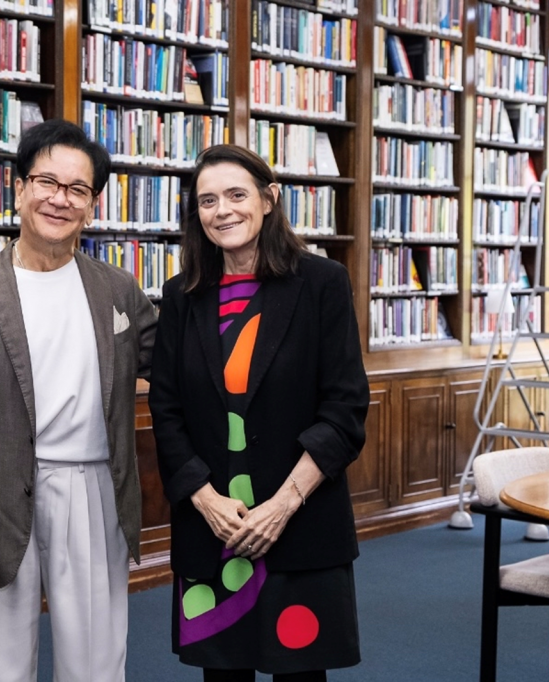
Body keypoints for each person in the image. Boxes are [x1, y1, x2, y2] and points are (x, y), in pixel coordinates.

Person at [0, 118, 157, 681]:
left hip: (94, 490)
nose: (60, 199)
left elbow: (168, 367)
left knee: (95, 658)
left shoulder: (117, 290)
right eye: (47, 182)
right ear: (19, 188)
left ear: (92, 205)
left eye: (77, 189)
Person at [148, 145, 369, 682]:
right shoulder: (182, 296)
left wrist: (283, 505)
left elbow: (344, 408)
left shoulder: (322, 284)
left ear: (269, 200)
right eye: (207, 200)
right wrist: (205, 501)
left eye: (236, 194)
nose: (221, 210)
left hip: (298, 522)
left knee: (299, 672)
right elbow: (166, 407)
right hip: (214, 528)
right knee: (223, 675)